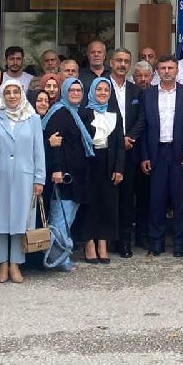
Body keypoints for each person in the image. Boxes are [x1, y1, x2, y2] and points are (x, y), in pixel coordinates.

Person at [0, 78, 45, 283]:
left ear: (22, 94)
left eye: (16, 92)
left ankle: (16, 264)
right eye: (8, 92)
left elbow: (39, 150)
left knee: (21, 221)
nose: (12, 96)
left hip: (24, 176)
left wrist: (39, 178)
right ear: (2, 95)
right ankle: (2, 263)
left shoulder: (33, 118)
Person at [141, 57, 183, 257]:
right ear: (157, 71)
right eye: (163, 68)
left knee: (180, 201)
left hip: (180, 152)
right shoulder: (148, 94)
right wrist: (144, 155)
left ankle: (179, 243)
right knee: (157, 200)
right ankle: (157, 242)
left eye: (171, 67)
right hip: (157, 152)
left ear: (177, 70)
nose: (167, 71)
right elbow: (143, 127)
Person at [45, 79, 94, 266]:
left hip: (76, 177)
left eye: (78, 90)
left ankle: (61, 257)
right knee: (60, 220)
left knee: (68, 219)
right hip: (64, 177)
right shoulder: (59, 113)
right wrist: (57, 169)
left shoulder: (76, 113)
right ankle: (57, 259)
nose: (75, 93)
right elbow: (54, 144)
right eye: (71, 90)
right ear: (64, 92)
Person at [76, 77, 125, 263]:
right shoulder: (84, 113)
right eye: (99, 89)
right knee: (89, 204)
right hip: (88, 163)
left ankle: (103, 243)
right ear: (92, 92)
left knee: (107, 203)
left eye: (106, 90)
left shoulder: (115, 113)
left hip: (108, 162)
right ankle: (89, 244)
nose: (103, 93)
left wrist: (119, 168)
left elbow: (120, 143)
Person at [106, 49, 146, 258]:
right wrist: (117, 139)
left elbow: (142, 118)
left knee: (127, 198)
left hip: (129, 149)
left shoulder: (135, 90)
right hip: (107, 150)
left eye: (126, 61)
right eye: (119, 60)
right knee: (107, 195)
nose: (122, 64)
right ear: (111, 63)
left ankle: (124, 241)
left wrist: (129, 137)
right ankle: (106, 239)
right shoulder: (101, 86)